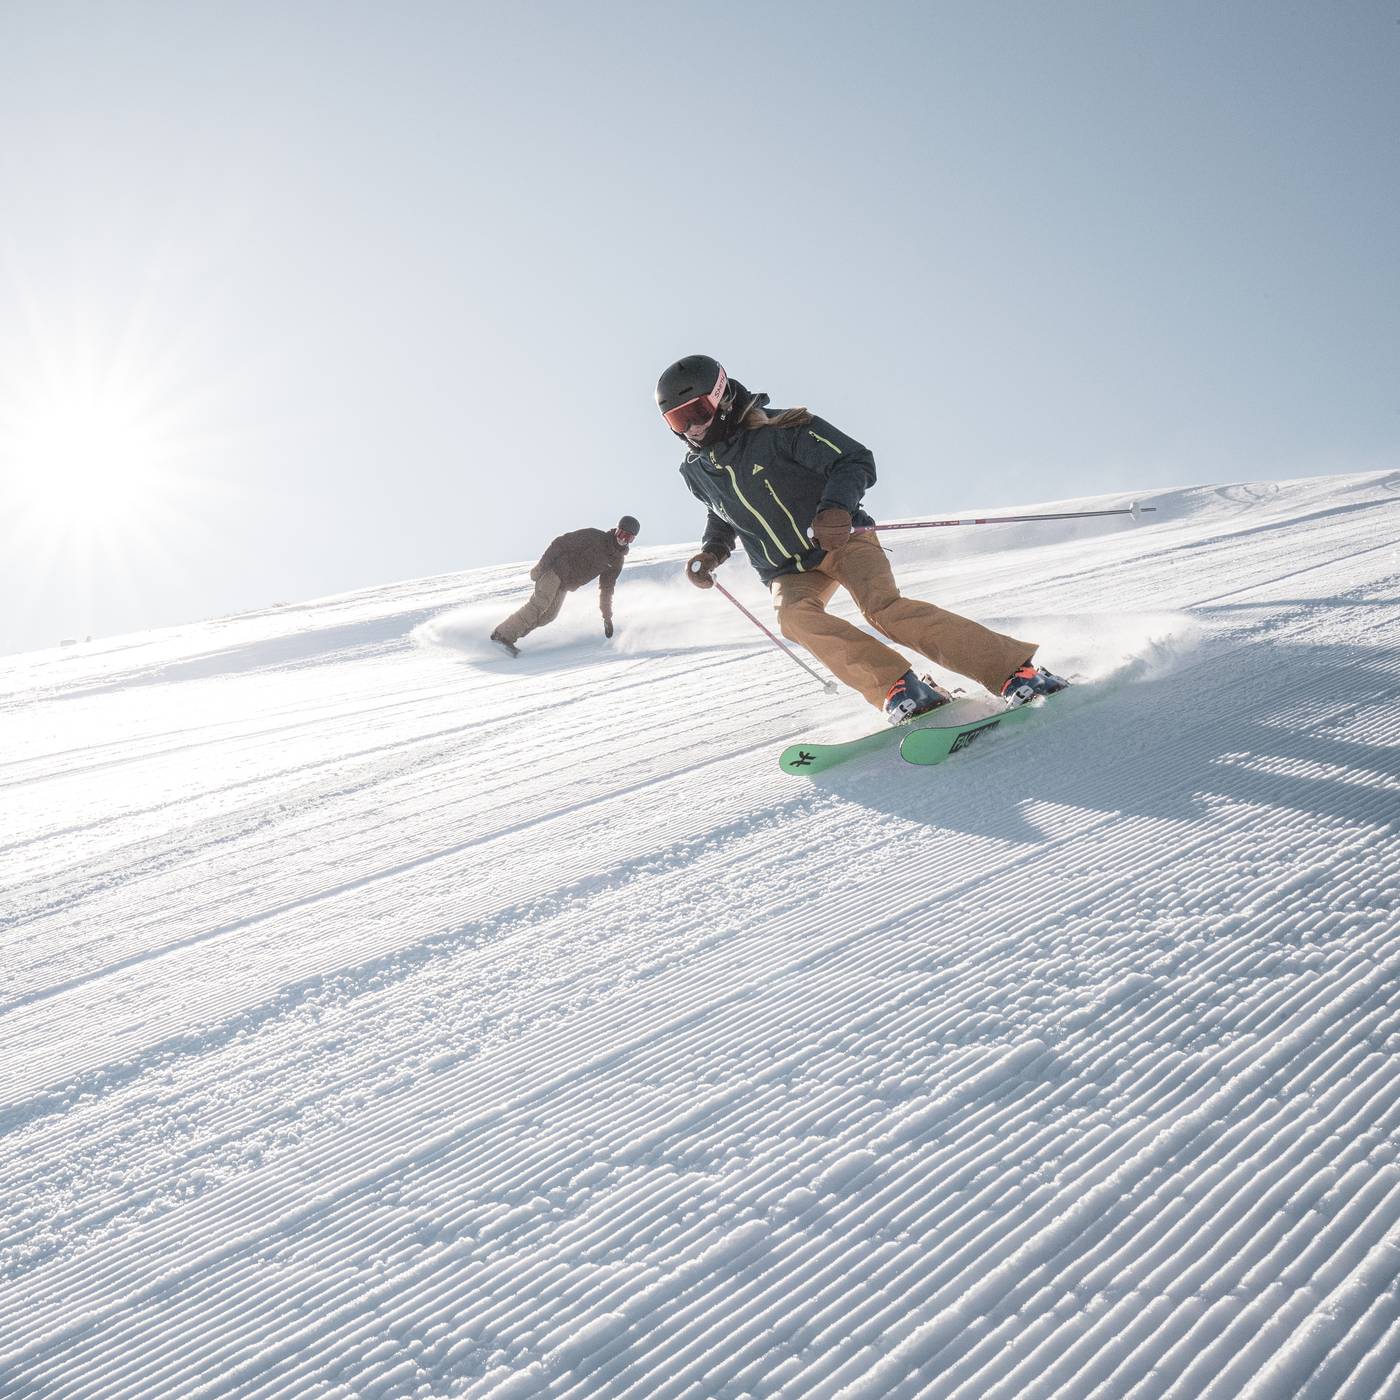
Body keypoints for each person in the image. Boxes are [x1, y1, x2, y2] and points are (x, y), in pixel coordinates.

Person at [656, 355, 1067, 721]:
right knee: (795, 618)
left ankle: (1015, 670)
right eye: (678, 420)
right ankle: (900, 687)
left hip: (840, 539)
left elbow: (853, 459)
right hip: (785, 568)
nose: (691, 428)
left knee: (884, 610)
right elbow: (722, 512)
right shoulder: (695, 471)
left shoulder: (783, 429)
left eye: (698, 411)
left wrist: (835, 508)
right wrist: (712, 552)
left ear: (723, 395)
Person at [490, 515, 640, 657]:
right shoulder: (594, 537)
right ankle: (502, 636)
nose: (623, 539)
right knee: (539, 605)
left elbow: (606, 590)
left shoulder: (616, 562)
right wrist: (541, 567)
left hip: (565, 586)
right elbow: (560, 543)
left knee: (548, 616)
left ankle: (510, 637)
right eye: (621, 534)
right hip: (555, 571)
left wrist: (607, 617)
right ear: (616, 530)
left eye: (628, 537)